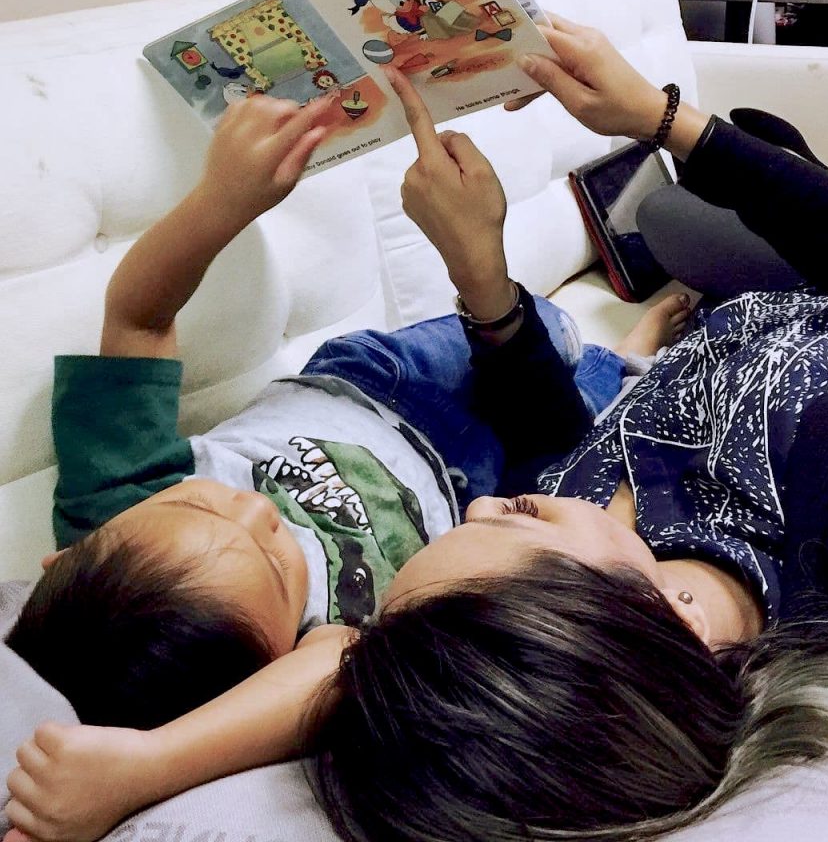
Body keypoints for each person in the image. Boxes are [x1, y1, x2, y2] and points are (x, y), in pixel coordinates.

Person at [8, 18, 828, 842]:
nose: (486, 494)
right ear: (659, 611)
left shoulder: (573, 551)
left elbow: (548, 449)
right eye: (518, 516)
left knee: (680, 217)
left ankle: (744, 201)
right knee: (703, 207)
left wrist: (520, 252)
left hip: (747, 327)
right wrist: (671, 123)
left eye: (503, 509)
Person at [1, 83, 690, 841]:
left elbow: (137, 316)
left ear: (68, 552)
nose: (259, 509)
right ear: (268, 663)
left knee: (553, 332)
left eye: (199, 499)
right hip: (480, 489)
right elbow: (340, 661)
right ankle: (629, 356)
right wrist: (147, 763)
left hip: (384, 388)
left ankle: (604, 355)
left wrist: (224, 199)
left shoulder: (110, 503)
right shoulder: (310, 648)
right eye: (275, 558)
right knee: (593, 426)